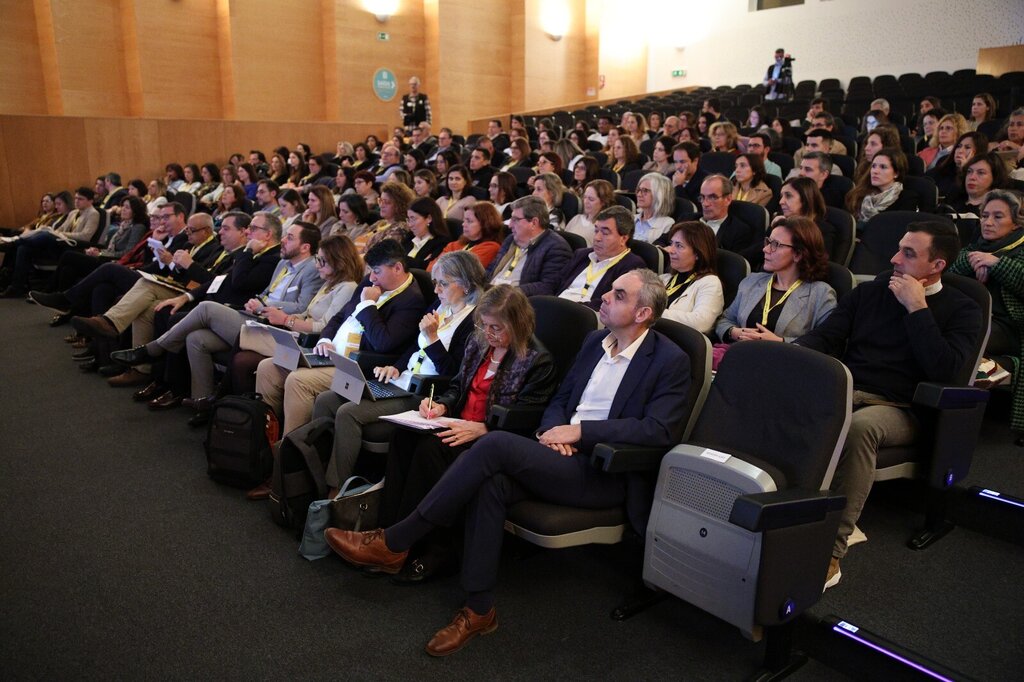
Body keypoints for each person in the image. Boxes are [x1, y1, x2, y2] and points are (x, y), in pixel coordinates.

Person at [324, 268, 691, 657]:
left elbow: (658, 431)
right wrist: (553, 432)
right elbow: (561, 400)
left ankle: (395, 541)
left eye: (618, 295)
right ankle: (479, 609)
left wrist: (580, 434)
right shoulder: (595, 342)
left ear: (642, 313)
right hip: (556, 452)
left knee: (495, 443)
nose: (605, 296)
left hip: (602, 471)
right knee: (491, 484)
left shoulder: (669, 360)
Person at [794, 221, 983, 589]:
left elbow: (946, 371)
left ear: (937, 265)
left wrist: (917, 308)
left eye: (908, 254)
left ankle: (832, 549)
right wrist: (790, 354)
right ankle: (786, 516)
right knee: (784, 400)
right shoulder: (871, 292)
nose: (894, 259)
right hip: (849, 391)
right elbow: (826, 337)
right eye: (898, 249)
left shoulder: (963, 309)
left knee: (860, 428)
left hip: (904, 407)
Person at [375, 283, 559, 581]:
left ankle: (431, 547)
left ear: (518, 324)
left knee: (432, 450)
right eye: (484, 325)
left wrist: (484, 428)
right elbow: (457, 387)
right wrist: (442, 406)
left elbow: (529, 418)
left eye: (496, 328)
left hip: (491, 439)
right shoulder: (479, 344)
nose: (488, 333)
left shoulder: (538, 361)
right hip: (457, 424)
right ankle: (387, 530)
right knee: (403, 436)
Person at [310, 250, 489, 498]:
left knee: (348, 412)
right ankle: (313, 472)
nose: (436, 290)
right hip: (403, 380)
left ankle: (334, 491)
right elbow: (415, 345)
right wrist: (396, 366)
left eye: (443, 284)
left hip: (425, 393)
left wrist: (433, 339)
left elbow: (455, 374)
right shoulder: (441, 306)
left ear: (466, 284)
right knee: (327, 399)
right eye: (435, 283)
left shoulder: (474, 321)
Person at [111, 215, 321, 403]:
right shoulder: (283, 264)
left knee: (205, 308)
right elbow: (265, 292)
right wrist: (257, 301)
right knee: (196, 339)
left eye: (290, 238)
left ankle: (153, 349)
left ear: (305, 247)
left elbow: (301, 306)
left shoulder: (308, 267)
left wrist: (265, 304)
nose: (283, 240)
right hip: (251, 314)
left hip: (271, 326)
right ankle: (201, 399)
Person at [254, 238, 425, 434]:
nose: (372, 278)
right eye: (370, 271)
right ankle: (263, 436)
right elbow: (338, 317)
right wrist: (325, 339)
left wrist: (367, 305)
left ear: (397, 268)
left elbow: (383, 343)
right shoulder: (369, 283)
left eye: (377, 271)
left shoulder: (411, 301)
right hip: (329, 354)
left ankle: (292, 445)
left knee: (298, 380)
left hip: (357, 366)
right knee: (268, 367)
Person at [947, 190, 1024, 433]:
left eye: (998, 217)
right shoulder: (976, 247)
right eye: (985, 216)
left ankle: (953, 421)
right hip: (978, 321)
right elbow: (948, 272)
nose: (988, 222)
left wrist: (997, 263)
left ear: (1016, 223)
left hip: (1010, 327)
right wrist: (976, 258)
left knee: (964, 336)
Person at [715, 216, 836, 344]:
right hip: (742, 352)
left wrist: (780, 342)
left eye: (775, 245)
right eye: (768, 242)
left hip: (784, 357)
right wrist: (734, 332)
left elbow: (824, 343)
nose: (765, 249)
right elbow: (725, 320)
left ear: (798, 254)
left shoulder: (821, 294)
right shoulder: (752, 281)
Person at [1, 188, 100, 297]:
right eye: (75, 198)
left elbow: (85, 236)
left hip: (71, 247)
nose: (76, 201)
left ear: (90, 201)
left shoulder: (93, 214)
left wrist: (61, 235)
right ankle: (16, 287)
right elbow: (61, 229)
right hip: (59, 243)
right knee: (24, 248)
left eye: (80, 199)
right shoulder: (73, 213)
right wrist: (55, 232)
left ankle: (14, 242)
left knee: (45, 235)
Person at [557, 206, 645, 310]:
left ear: (623, 239)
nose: (597, 238)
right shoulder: (581, 255)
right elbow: (556, 283)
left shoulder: (632, 266)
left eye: (605, 233)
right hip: (557, 306)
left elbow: (611, 303)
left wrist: (568, 308)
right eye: (596, 231)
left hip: (586, 314)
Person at [487, 195, 572, 295]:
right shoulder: (511, 239)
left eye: (515, 220)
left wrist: (508, 292)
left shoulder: (556, 247)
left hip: (515, 299)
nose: (510, 225)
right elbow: (491, 269)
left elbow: (547, 287)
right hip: (490, 293)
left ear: (534, 223)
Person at [660, 221, 724, 334]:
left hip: (679, 342)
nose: (670, 250)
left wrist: (653, 313)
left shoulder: (710, 283)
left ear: (698, 253)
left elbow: (701, 323)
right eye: (671, 244)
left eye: (679, 246)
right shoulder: (665, 278)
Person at [699, 175, 763, 266]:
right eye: (702, 197)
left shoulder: (739, 231)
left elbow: (731, 267)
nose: (705, 204)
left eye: (712, 197)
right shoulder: (687, 219)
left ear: (728, 199)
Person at [847, 147, 918, 224]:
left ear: (896, 173)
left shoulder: (907, 199)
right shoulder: (859, 193)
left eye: (883, 167)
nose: (875, 171)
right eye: (873, 166)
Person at [430, 201, 504, 271]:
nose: (463, 224)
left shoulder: (491, 248)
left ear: (485, 224)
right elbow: (431, 268)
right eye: (464, 220)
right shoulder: (456, 244)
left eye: (469, 221)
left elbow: (461, 272)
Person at [777, 176, 836, 259]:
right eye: (781, 196)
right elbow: (760, 253)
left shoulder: (824, 231)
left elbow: (817, 262)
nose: (781, 202)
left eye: (788, 196)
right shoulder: (780, 221)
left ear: (805, 199)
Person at [358, 181, 413, 253]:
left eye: (386, 202)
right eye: (380, 200)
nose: (381, 205)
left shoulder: (401, 228)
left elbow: (380, 253)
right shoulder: (380, 223)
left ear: (399, 205)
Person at [563, 179, 614, 248]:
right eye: (585, 197)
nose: (586, 202)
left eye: (591, 199)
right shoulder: (576, 218)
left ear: (603, 202)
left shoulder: (603, 228)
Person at [404, 197, 450, 270]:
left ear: (429, 218)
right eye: (408, 219)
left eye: (413, 219)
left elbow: (426, 267)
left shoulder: (441, 243)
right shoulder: (409, 237)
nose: (410, 225)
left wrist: (401, 259)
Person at [634, 173, 675, 244]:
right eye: (639, 190)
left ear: (660, 195)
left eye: (645, 191)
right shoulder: (631, 218)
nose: (639, 194)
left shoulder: (667, 224)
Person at [671, 142, 708, 207]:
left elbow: (693, 208)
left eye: (682, 162)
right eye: (675, 162)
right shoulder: (669, 177)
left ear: (695, 161)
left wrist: (678, 186)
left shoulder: (706, 182)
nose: (678, 166)